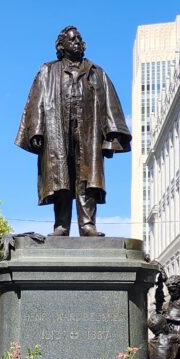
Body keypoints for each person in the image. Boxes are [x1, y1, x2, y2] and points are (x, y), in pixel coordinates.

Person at [15, 25, 132, 237]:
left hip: (88, 132)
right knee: (61, 179)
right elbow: (37, 102)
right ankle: (61, 225)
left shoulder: (96, 72)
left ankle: (88, 225)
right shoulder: (47, 71)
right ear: (61, 45)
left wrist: (111, 137)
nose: (77, 42)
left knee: (87, 178)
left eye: (79, 38)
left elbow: (110, 105)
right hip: (57, 132)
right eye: (72, 39)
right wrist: (36, 131)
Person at [147, 273, 180, 359]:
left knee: (179, 355)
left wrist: (169, 318)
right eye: (169, 291)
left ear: (179, 288)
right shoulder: (171, 300)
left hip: (178, 330)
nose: (171, 293)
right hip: (169, 330)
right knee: (169, 354)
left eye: (173, 291)